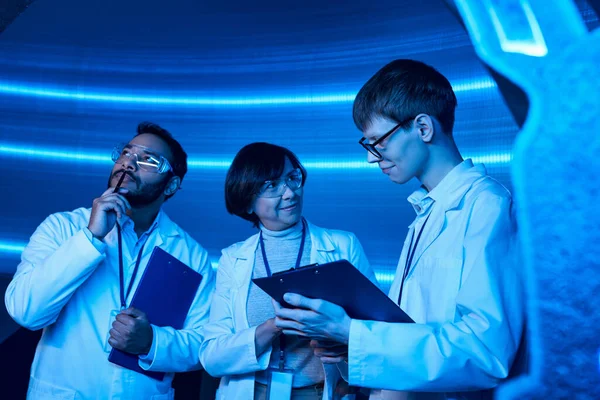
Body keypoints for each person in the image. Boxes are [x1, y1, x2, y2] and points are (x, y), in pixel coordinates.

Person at [273, 59, 527, 399]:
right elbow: (411, 330)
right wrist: (351, 346)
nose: (371, 157)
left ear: (423, 128)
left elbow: (485, 353)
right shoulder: (427, 210)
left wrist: (355, 332)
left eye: (377, 141)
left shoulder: (487, 207)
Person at [5, 122, 216, 399]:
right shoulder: (62, 228)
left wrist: (152, 342)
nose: (129, 163)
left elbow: (203, 343)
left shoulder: (192, 256)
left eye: (148, 160)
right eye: (126, 153)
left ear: (172, 185)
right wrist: (90, 238)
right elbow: (26, 312)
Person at [198, 142, 378, 400]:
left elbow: (375, 331)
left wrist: (343, 345)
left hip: (319, 393)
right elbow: (212, 357)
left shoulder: (343, 246)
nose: (290, 193)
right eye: (271, 185)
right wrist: (274, 326)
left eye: (292, 178)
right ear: (248, 202)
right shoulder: (232, 259)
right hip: (252, 393)